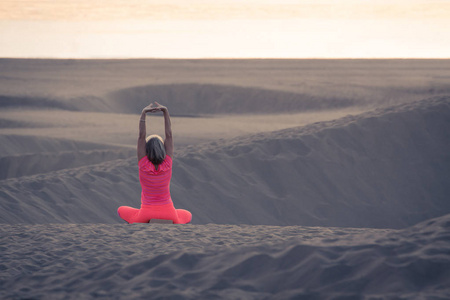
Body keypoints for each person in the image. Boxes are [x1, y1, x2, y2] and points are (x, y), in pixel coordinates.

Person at [117, 102, 192, 224]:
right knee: (187, 214)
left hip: (146, 214)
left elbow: (141, 136)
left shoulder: (143, 164)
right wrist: (165, 112)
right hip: (169, 213)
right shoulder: (167, 164)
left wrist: (143, 114)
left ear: (146, 150)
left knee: (121, 210)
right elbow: (169, 135)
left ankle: (146, 222)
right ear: (163, 148)